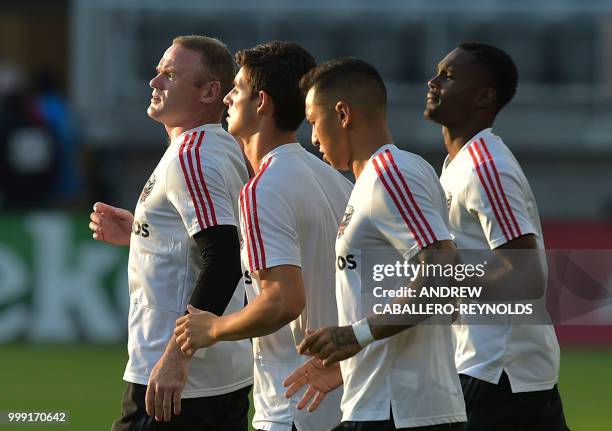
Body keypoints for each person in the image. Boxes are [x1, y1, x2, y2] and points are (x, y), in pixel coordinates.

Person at [174, 41, 352, 431]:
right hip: (347, 402)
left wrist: (213, 329)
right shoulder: (335, 181)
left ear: (261, 103)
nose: (228, 99)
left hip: (295, 408)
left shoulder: (263, 188)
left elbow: (284, 300)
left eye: (236, 88)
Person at [282, 57, 466, 431]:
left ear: (343, 114)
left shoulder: (390, 174)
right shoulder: (375, 180)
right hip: (385, 403)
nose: (313, 137)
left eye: (315, 122)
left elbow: (444, 274)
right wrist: (353, 358)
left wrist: (356, 335)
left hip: (401, 409)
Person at [88, 35, 253, 430]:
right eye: (159, 71)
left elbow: (224, 257)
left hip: (178, 381)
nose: (154, 82)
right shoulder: (220, 147)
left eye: (171, 75)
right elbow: (213, 242)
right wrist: (144, 232)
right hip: (218, 374)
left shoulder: (191, 154)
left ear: (211, 92)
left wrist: (177, 358)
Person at [423, 42, 569, 430]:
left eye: (448, 77)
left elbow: (525, 274)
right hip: (495, 365)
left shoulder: (485, 167)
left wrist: (440, 283)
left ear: (484, 97)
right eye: (438, 72)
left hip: (496, 368)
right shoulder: (458, 164)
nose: (432, 81)